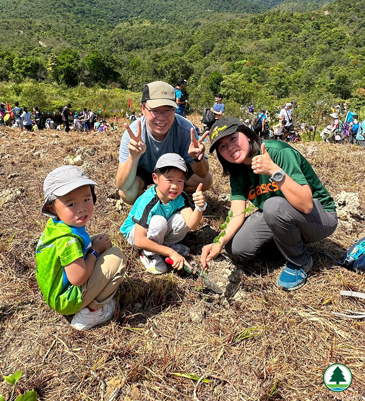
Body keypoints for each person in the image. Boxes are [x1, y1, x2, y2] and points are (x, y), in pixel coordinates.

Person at [201, 117, 338, 291]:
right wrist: (218, 242)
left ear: (247, 135)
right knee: (237, 246)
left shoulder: (277, 152)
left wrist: (274, 170)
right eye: (222, 146)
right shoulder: (237, 171)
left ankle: (300, 259)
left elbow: (306, 205)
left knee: (272, 206)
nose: (230, 147)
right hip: (280, 214)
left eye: (233, 138)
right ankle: (287, 243)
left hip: (319, 217)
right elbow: (237, 214)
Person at [36, 166, 127, 330]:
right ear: (51, 208)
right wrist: (95, 251)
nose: (82, 208)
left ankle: (87, 300)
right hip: (67, 300)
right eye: (71, 203)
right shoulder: (68, 242)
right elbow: (78, 278)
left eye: (86, 199)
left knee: (98, 241)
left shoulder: (56, 226)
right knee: (116, 257)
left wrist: (94, 246)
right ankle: (90, 313)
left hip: (57, 293)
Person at [116, 81, 212, 205]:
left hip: (174, 171)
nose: (161, 117)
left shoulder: (185, 129)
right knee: (128, 194)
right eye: (155, 110)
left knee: (205, 181)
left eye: (168, 110)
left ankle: (171, 196)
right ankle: (155, 199)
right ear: (143, 109)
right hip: (144, 172)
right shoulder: (134, 133)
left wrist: (197, 158)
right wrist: (133, 157)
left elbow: (203, 174)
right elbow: (121, 185)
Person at [121, 153, 206, 274]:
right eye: (169, 180)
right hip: (136, 234)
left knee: (182, 220)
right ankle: (148, 254)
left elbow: (192, 225)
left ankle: (163, 246)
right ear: (155, 178)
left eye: (180, 181)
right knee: (158, 222)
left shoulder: (181, 197)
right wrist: (171, 253)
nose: (175, 186)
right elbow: (139, 239)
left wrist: (199, 207)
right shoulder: (148, 201)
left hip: (157, 229)